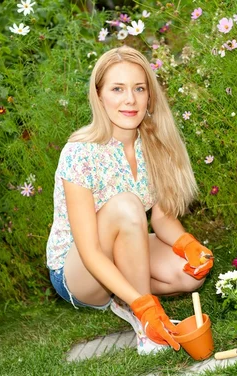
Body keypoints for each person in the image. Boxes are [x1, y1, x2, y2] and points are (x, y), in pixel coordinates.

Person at [45, 46, 213, 355]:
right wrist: (144, 305)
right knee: (126, 205)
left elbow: (161, 218)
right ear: (99, 96)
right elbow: (91, 252)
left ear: (150, 95)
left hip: (120, 249)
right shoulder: (80, 152)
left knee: (187, 275)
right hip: (78, 270)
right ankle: (145, 323)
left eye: (139, 88)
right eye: (117, 89)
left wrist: (189, 245)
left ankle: (126, 297)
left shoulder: (155, 144)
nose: (130, 100)